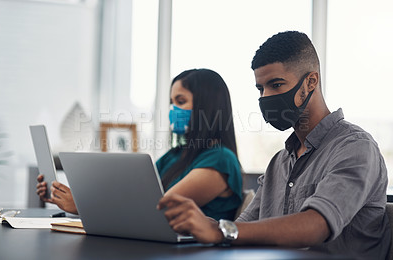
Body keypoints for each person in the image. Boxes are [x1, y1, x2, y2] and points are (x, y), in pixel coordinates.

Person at [158, 31, 391, 260]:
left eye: (276, 85)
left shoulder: (355, 148)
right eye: (260, 89)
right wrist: (210, 227)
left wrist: (222, 231)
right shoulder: (279, 162)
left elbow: (316, 225)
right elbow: (241, 228)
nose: (266, 97)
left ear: (311, 82)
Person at [37, 68, 243, 221]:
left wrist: (82, 205)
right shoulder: (175, 155)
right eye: (171, 102)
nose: (172, 109)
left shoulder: (221, 160)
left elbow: (159, 209)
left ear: (206, 106)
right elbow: (134, 195)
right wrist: (68, 196)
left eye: (180, 101)